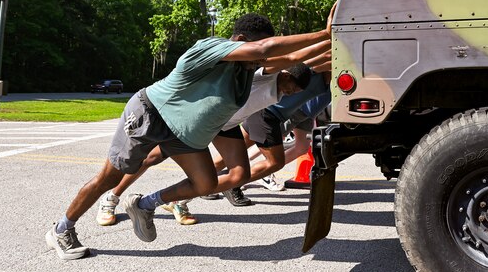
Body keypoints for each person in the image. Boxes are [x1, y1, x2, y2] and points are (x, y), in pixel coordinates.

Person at [46, 8, 333, 260]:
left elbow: (293, 57)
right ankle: (62, 228)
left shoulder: (247, 71)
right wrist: (323, 31)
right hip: (151, 113)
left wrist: (332, 41)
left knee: (206, 182)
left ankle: (146, 204)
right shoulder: (210, 47)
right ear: (241, 40)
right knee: (106, 179)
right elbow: (265, 50)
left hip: (182, 132)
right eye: (257, 49)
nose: (261, 60)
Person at [93, 40, 327, 226]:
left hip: (225, 125)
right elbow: (298, 56)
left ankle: (172, 200)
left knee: (238, 175)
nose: (290, 94)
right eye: (291, 89)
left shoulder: (285, 86)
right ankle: (112, 197)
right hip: (204, 120)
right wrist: (329, 35)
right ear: (285, 75)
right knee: (151, 157)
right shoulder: (267, 73)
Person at [211, 70, 331, 206]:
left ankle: (219, 180)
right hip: (273, 112)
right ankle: (223, 182)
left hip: (300, 114)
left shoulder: (334, 77)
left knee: (298, 149)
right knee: (266, 158)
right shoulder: (318, 68)